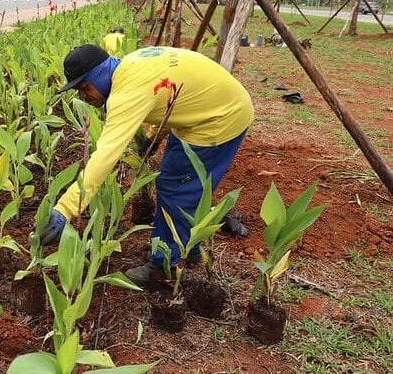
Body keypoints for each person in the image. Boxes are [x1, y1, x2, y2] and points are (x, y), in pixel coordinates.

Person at [39, 44, 253, 286]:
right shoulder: (129, 65)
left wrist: (66, 209)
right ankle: (188, 246)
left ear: (99, 74)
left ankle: (164, 265)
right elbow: (170, 97)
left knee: (177, 187)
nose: (83, 97)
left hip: (222, 116)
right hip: (212, 107)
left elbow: (105, 156)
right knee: (180, 180)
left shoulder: (127, 93)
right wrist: (152, 136)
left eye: (85, 87)